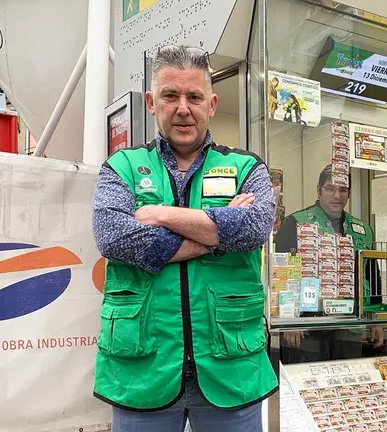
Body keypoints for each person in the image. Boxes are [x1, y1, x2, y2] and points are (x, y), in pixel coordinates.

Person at [91, 45, 277, 432]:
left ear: (211, 104)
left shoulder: (247, 166)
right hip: (142, 368)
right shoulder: (121, 167)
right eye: (170, 96)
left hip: (230, 365)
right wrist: (218, 235)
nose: (182, 108)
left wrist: (161, 215)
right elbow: (114, 236)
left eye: (193, 97)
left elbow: (256, 226)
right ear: (150, 102)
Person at [274, 165, 384, 363]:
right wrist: (288, 320)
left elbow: (371, 275)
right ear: (319, 191)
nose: (337, 196)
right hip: (307, 325)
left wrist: (375, 318)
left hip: (349, 325)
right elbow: (281, 274)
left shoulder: (362, 230)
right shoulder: (295, 223)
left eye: (343, 190)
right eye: (330, 188)